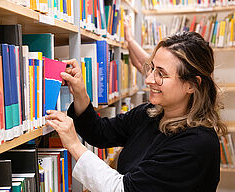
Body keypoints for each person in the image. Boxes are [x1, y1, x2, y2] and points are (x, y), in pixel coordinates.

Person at [46, 31, 227, 192]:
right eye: (152, 69)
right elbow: (100, 133)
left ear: (192, 85)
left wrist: (74, 145)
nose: (148, 79)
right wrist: (80, 93)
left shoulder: (196, 145)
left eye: (161, 74)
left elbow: (125, 188)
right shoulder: (150, 113)